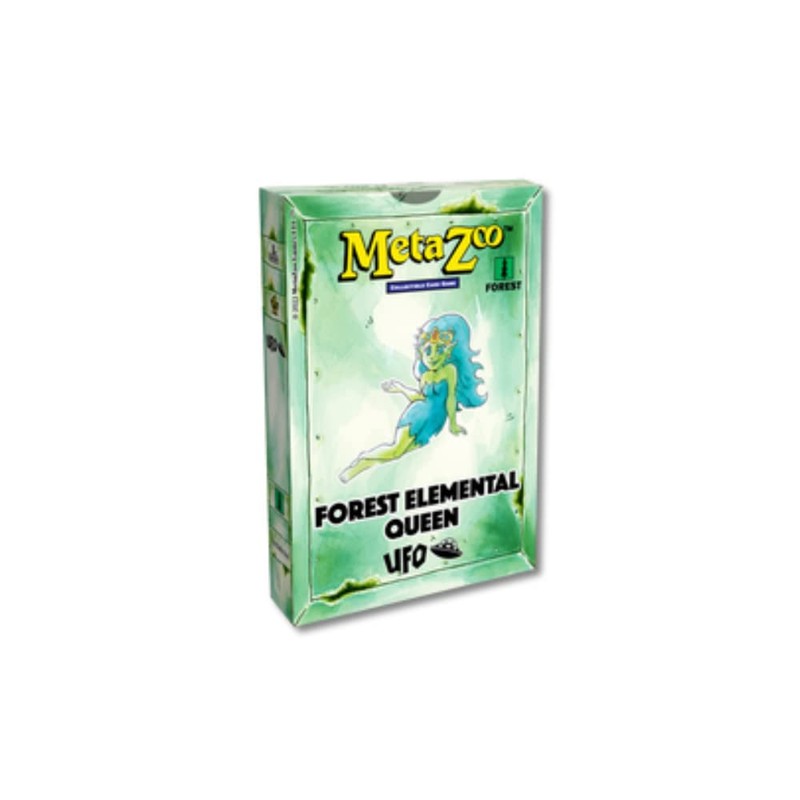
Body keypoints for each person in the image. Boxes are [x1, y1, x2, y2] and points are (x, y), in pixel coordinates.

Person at [339, 313, 486, 483]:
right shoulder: (425, 376)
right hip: (417, 416)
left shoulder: (449, 370)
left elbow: (451, 398)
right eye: (428, 351)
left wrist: (453, 423)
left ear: (447, 353)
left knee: (395, 454)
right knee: (395, 451)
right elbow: (420, 398)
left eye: (439, 350)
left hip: (434, 423)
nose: (433, 356)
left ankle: (356, 468)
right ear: (421, 353)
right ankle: (363, 457)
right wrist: (401, 389)